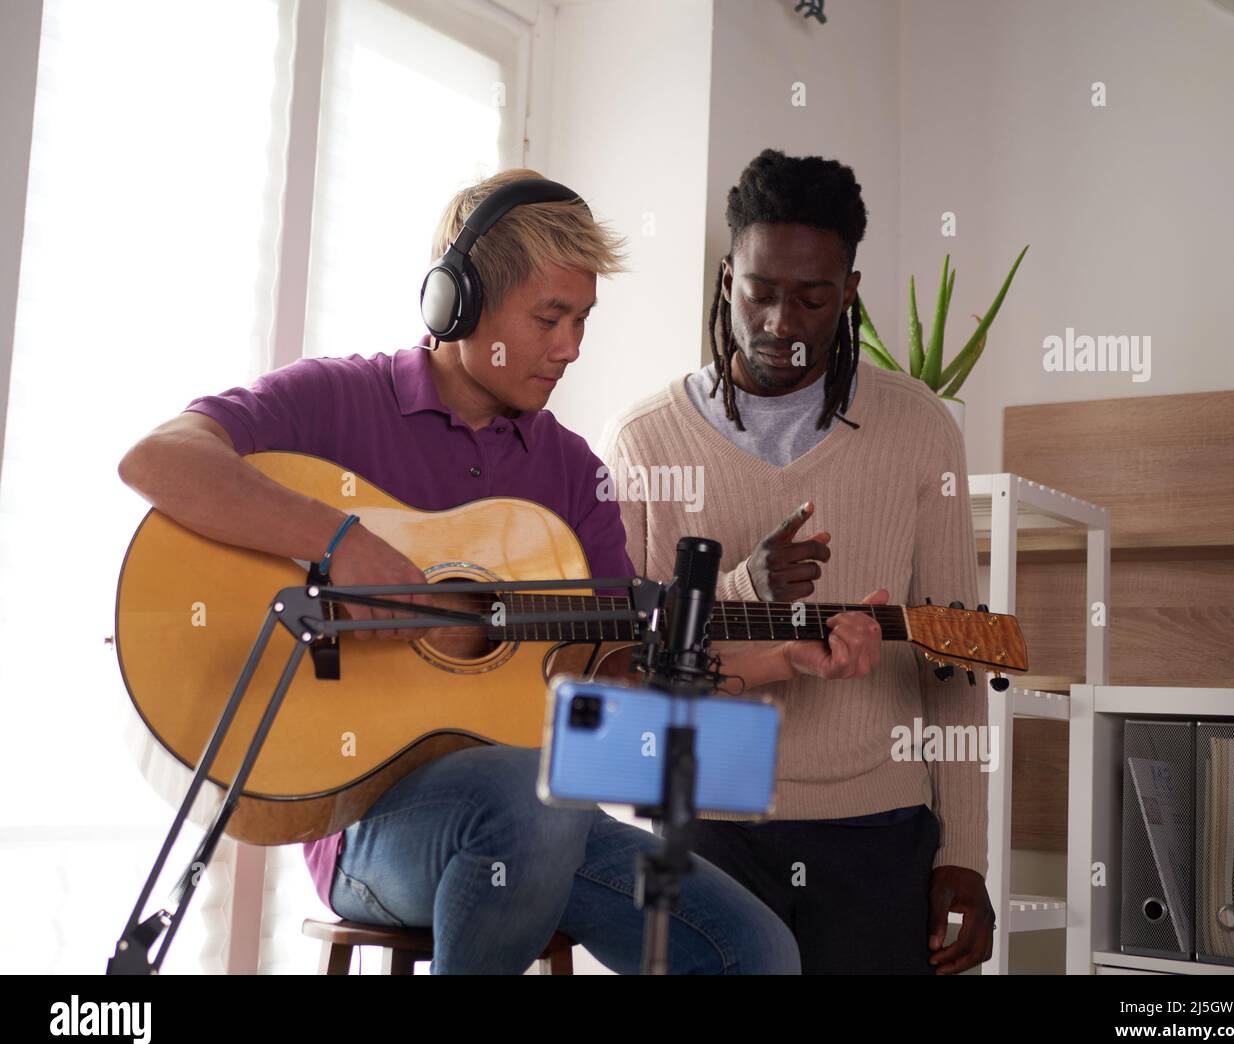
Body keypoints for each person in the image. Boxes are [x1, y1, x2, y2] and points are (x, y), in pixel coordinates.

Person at [116, 166, 883, 975]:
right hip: (371, 827)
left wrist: (781, 656)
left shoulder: (571, 471)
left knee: (757, 950)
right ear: (461, 302)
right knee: (536, 793)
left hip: (542, 818)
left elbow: (623, 667)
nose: (572, 348)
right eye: (550, 317)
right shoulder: (338, 401)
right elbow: (160, 459)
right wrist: (338, 538)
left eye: (583, 320)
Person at [601, 149, 996, 974]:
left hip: (879, 830)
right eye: (761, 292)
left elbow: (955, 654)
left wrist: (966, 853)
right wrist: (745, 586)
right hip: (709, 827)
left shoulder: (921, 429)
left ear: (850, 291)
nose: (782, 321)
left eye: (813, 297)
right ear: (725, 279)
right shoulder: (645, 442)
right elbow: (630, 674)